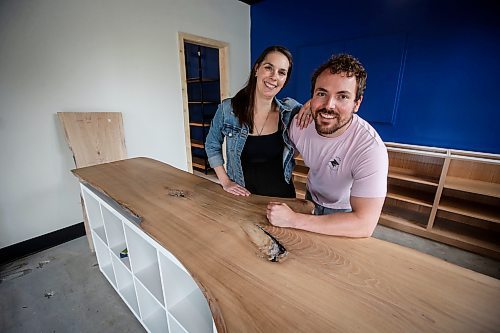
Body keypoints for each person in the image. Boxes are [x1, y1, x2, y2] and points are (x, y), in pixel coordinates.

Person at [266, 54, 388, 237]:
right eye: (322, 93)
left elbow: (364, 224)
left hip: (345, 213)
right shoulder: (300, 124)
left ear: (357, 103)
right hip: (309, 199)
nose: (329, 105)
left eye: (342, 97)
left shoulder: (370, 149)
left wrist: (294, 220)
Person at [205, 46, 306, 198]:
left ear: (284, 81)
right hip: (243, 197)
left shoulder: (290, 110)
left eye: (281, 72)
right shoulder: (228, 110)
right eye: (269, 68)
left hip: (282, 199)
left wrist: (311, 105)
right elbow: (212, 145)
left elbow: (319, 112)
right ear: (256, 69)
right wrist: (225, 181)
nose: (274, 77)